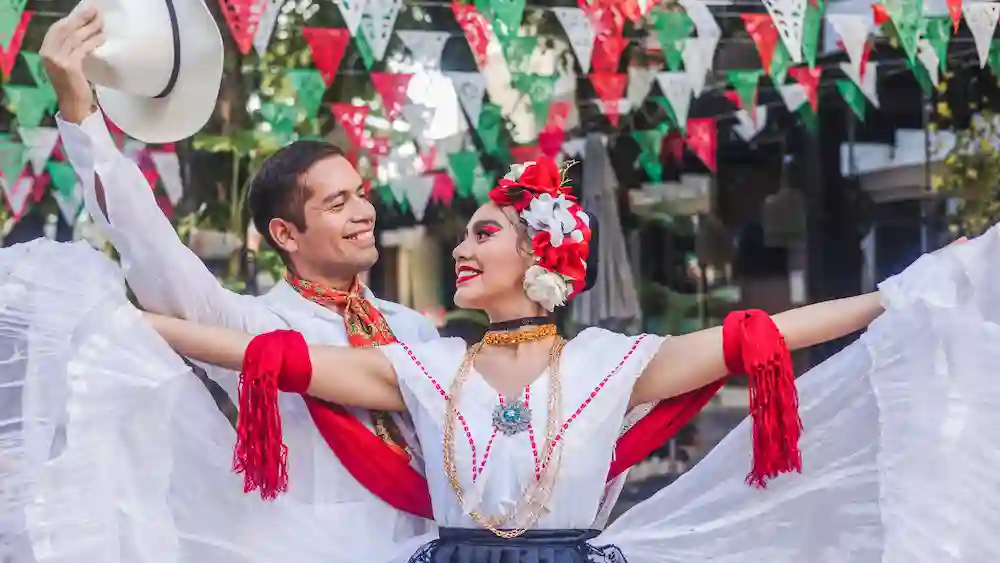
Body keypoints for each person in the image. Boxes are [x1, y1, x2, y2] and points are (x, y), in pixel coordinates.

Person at [6, 154, 999, 562]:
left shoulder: (605, 360)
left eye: (485, 231)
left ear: (539, 257)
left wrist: (901, 294)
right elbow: (261, 352)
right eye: (466, 234)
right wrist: (113, 321)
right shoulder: (420, 363)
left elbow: (754, 339)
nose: (463, 245)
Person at [39, 6, 440, 547]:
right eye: (338, 203)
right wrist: (81, 115)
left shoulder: (414, 331)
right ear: (286, 234)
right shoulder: (251, 326)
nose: (364, 213)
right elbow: (148, 241)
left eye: (361, 196)